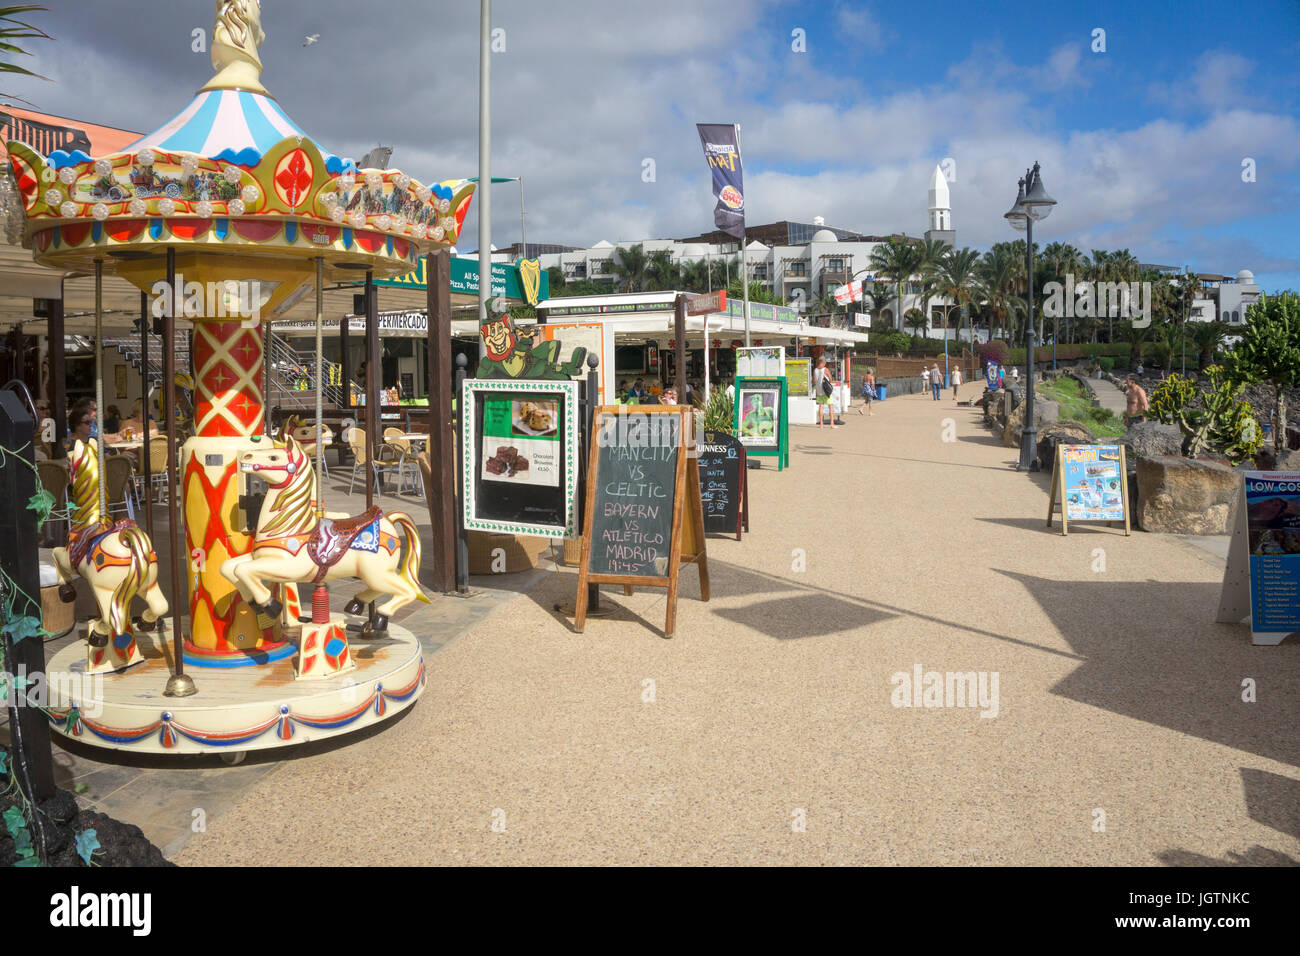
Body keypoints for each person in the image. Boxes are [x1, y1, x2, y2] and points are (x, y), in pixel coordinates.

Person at [813, 357, 835, 429]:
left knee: (821, 406)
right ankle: (832, 424)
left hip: (819, 391)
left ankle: (821, 424)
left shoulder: (815, 370)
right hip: (826, 391)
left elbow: (813, 381)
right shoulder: (825, 369)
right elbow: (830, 379)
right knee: (830, 406)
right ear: (823, 362)